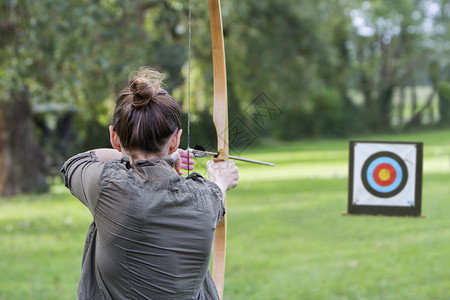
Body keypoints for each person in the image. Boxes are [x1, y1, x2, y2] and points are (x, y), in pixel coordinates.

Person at [61, 67, 239, 300]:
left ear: (114, 137)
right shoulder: (207, 198)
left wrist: (149, 157)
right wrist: (220, 179)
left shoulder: (107, 186)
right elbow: (216, 189)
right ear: (175, 140)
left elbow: (77, 161)